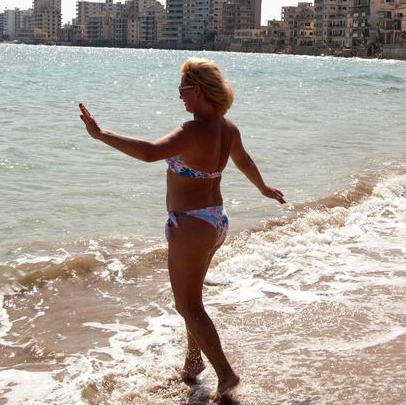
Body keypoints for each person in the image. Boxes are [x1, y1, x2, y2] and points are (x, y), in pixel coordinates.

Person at [78, 58, 285, 402]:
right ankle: (192, 362)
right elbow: (244, 160)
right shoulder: (227, 128)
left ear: (198, 91)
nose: (180, 98)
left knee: (188, 306)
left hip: (191, 226)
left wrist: (101, 134)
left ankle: (226, 374)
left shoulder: (192, 132)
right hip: (214, 221)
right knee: (194, 301)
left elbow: (148, 153)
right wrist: (263, 188)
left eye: (182, 91)